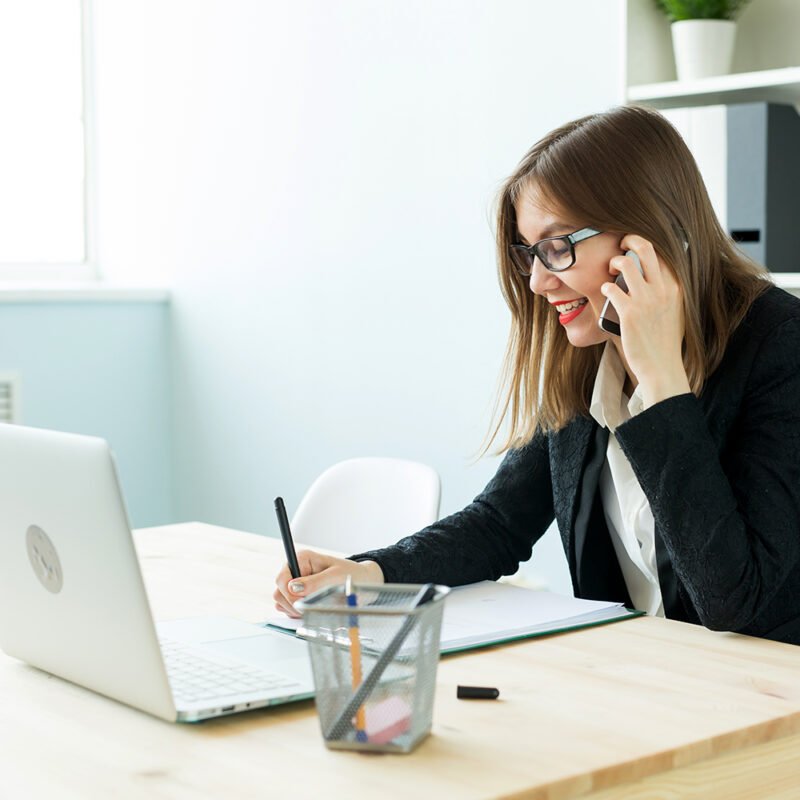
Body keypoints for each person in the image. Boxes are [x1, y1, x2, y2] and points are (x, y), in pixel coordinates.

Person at [274, 104, 800, 645]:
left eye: (557, 247)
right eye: (531, 253)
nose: (537, 282)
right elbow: (500, 523)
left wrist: (662, 381)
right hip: (641, 676)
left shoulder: (782, 346)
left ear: (649, 234)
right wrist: (368, 574)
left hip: (765, 697)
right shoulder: (593, 352)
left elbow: (732, 599)